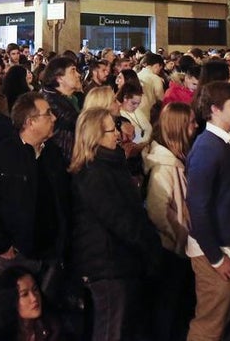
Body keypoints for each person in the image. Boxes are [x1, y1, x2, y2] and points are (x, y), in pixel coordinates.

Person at [69, 106, 161, 341]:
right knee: (111, 330)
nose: (118, 135)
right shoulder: (94, 173)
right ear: (95, 136)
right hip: (107, 264)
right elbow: (119, 219)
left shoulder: (110, 164)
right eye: (112, 130)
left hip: (119, 261)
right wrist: (147, 241)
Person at [0, 92, 71, 292]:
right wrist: (2, 245)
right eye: (48, 113)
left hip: (50, 253)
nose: (54, 118)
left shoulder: (54, 154)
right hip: (15, 256)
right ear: (30, 122)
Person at [185, 81, 230, 341]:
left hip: (224, 247)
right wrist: (216, 258)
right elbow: (197, 208)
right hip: (216, 251)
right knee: (209, 325)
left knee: (220, 321)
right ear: (214, 109)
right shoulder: (208, 148)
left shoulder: (223, 144)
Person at [143, 102, 197, 341]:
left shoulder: (174, 161)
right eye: (192, 123)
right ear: (179, 128)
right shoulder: (163, 168)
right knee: (168, 308)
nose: (196, 127)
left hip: (177, 247)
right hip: (170, 251)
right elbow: (157, 210)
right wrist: (178, 236)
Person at [0, 265, 63, 341]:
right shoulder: (1, 334)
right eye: (25, 294)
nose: (34, 298)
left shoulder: (52, 326)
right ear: (11, 301)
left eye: (35, 289)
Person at [37, 56, 81, 161]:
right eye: (73, 71)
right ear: (59, 78)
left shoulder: (72, 98)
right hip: (62, 161)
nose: (78, 75)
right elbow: (78, 122)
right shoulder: (51, 102)